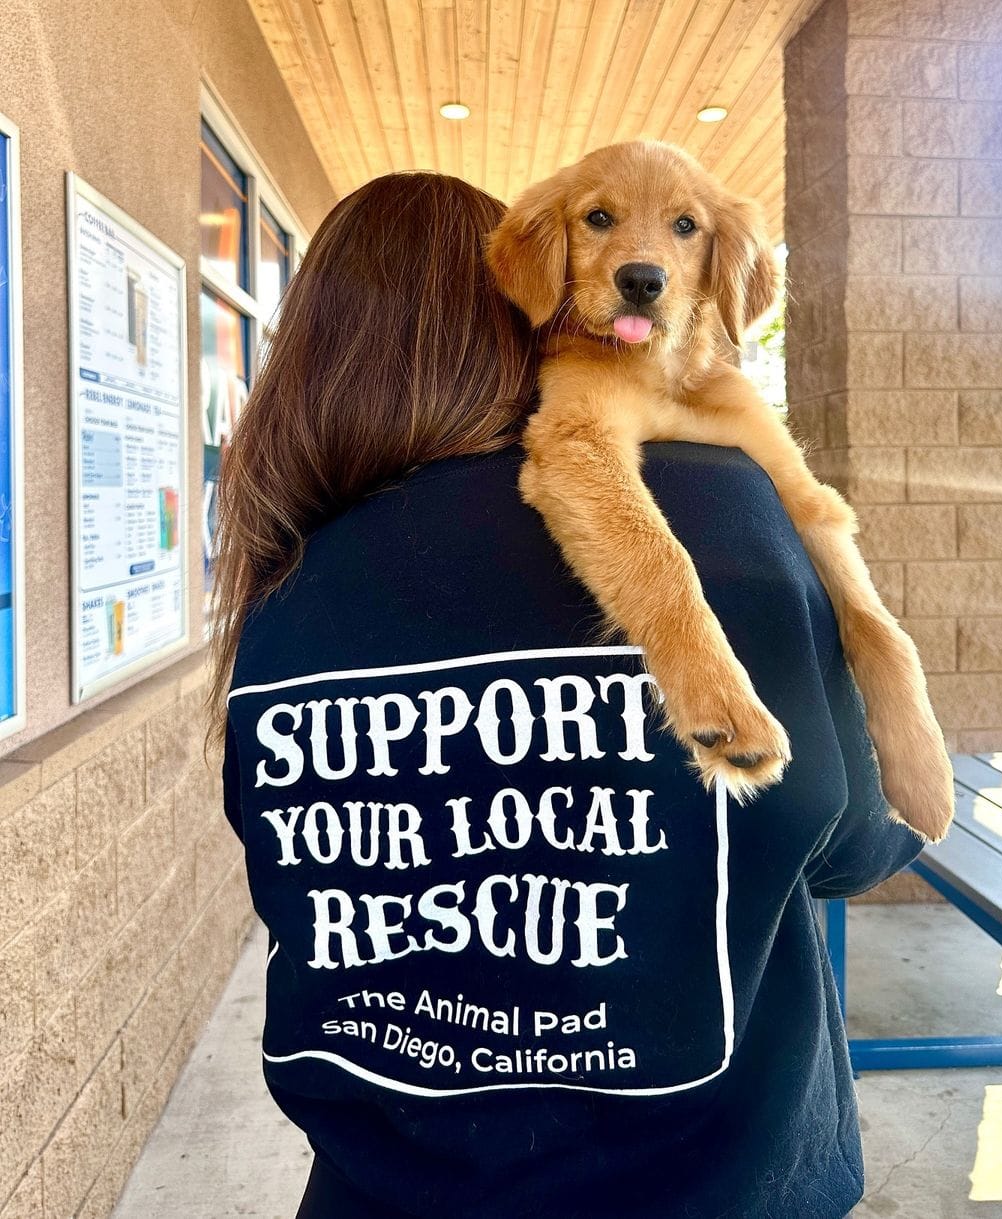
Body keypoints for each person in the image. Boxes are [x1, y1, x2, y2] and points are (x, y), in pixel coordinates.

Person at [209, 171, 923, 1219]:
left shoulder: (282, 586)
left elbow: (295, 878)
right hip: (718, 1180)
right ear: (520, 317)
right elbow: (853, 837)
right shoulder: (724, 514)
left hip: (390, 1188)